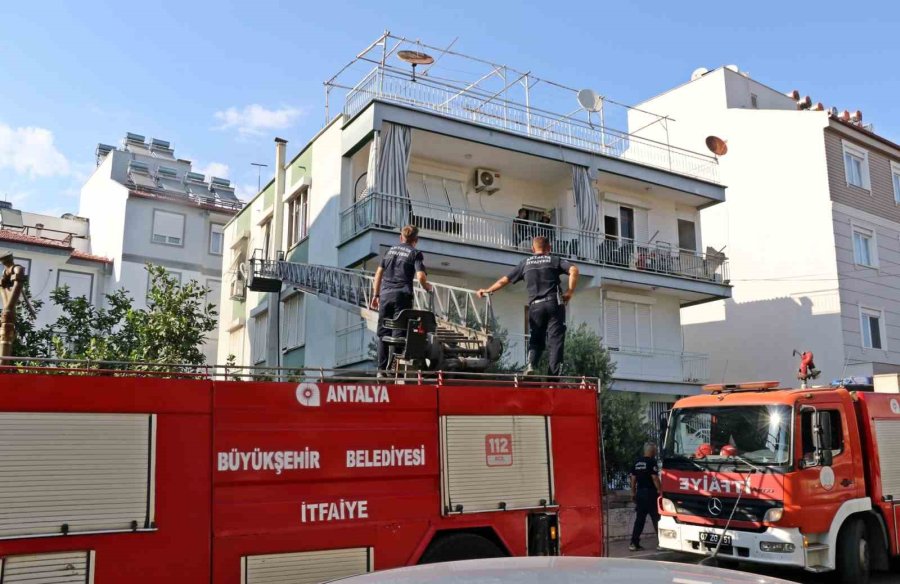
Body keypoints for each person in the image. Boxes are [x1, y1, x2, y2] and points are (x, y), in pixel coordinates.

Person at [476, 236, 578, 376]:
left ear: (532, 249)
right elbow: (574, 270)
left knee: (536, 338)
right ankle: (553, 379)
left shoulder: (525, 263)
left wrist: (488, 290)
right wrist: (570, 292)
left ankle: (531, 365)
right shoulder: (554, 260)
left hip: (535, 306)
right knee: (556, 341)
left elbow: (505, 280)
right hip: (554, 303)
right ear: (549, 248)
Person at [370, 225, 432, 371]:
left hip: (385, 296)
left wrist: (376, 295)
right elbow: (420, 276)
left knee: (383, 334)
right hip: (402, 297)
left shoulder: (389, 251)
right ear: (416, 240)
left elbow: (378, 274)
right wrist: (427, 287)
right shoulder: (415, 253)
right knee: (399, 334)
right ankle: (393, 369)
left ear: (400, 237)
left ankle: (381, 370)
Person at [629, 442, 661, 552]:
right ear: (652, 451)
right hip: (651, 494)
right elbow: (655, 478)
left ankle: (634, 543)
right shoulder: (652, 461)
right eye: (655, 450)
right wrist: (660, 490)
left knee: (639, 519)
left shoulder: (637, 462)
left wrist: (633, 493)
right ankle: (662, 542)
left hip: (640, 494)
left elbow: (633, 479)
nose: (655, 452)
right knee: (657, 518)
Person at [0, 251, 27, 358]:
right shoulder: (5, 272)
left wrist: (8, 309)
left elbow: (17, 285)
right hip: (7, 312)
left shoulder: (18, 269)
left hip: (8, 312)